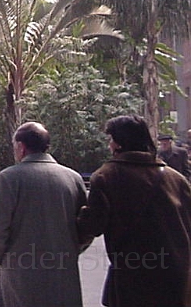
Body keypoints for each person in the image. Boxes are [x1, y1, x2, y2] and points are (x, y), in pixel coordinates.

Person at [77, 114, 191, 307]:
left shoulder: (106, 176)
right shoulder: (176, 179)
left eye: (111, 139)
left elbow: (93, 225)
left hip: (134, 275)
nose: (109, 145)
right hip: (176, 276)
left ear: (119, 143)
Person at [0, 122, 88, 307]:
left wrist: (2, 258)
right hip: (63, 272)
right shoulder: (73, 178)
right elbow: (86, 228)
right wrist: (70, 251)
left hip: (20, 275)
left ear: (21, 147)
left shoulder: (8, 179)